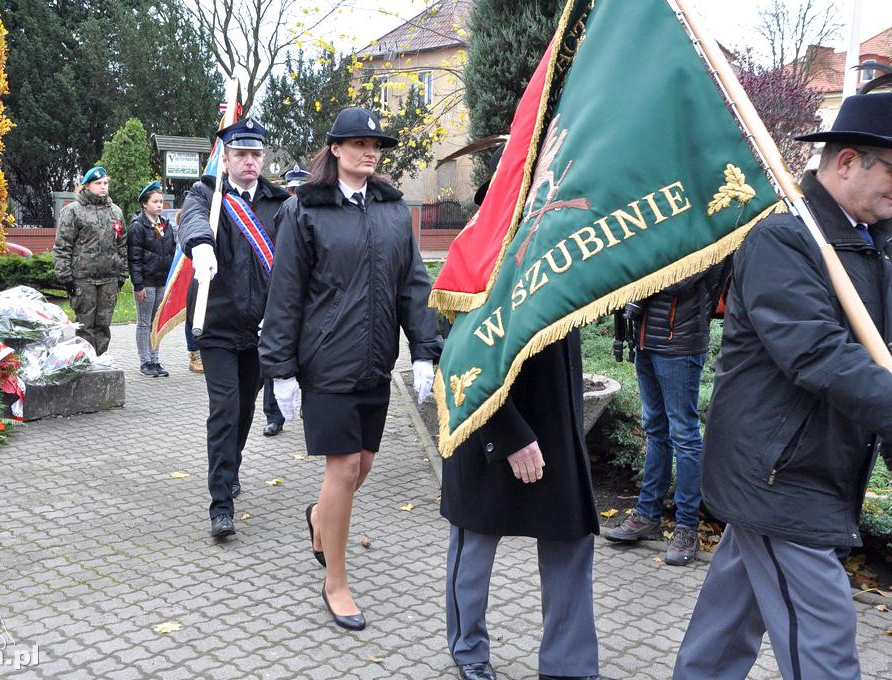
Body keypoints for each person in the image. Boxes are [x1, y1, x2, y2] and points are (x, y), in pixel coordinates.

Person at [673, 93, 892, 679]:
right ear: (847, 161)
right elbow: (815, 352)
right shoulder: (784, 239)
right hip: (778, 476)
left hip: (805, 468)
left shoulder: (873, 244)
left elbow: (879, 355)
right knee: (824, 643)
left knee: (726, 626)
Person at [260, 107, 442, 632]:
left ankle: (320, 520)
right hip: (326, 364)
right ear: (335, 149)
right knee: (341, 470)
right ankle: (335, 583)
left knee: (361, 466)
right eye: (358, 142)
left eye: (376, 143)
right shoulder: (305, 211)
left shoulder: (390, 210)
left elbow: (413, 283)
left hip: (375, 363)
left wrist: (424, 349)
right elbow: (286, 293)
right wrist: (281, 369)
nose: (370, 150)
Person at [441, 146, 611, 680]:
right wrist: (510, 435)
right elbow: (465, 359)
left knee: (570, 538)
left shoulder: (563, 241)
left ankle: (569, 664)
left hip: (555, 423)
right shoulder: (478, 251)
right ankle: (469, 652)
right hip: (491, 422)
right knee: (474, 545)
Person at [177, 117, 287, 539]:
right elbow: (192, 220)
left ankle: (232, 464)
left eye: (256, 154)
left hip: (260, 329)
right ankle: (220, 503)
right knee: (224, 410)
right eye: (240, 154)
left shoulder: (279, 204)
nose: (249, 161)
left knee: (243, 409)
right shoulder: (206, 194)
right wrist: (200, 244)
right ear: (225, 158)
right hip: (218, 326)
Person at [603, 265, 723, 565]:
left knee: (684, 435)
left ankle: (686, 528)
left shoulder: (702, 229)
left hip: (679, 343)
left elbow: (677, 279)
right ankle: (647, 516)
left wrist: (641, 268)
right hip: (646, 340)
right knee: (656, 430)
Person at [261, 162, 312, 438]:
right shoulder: (279, 212)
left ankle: (308, 409)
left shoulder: (317, 214)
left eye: (300, 190)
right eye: (292, 190)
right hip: (280, 292)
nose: (295, 195)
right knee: (277, 354)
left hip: (310, 298)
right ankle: (273, 415)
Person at [54, 166, 128, 355]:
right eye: (98, 183)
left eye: (105, 183)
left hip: (109, 279)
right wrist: (66, 278)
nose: (103, 187)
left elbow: (122, 245)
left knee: (103, 325)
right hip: (83, 278)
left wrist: (122, 274)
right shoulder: (73, 211)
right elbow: (63, 246)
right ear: (87, 186)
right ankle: (85, 364)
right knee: (85, 326)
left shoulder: (115, 212)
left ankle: (100, 362)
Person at [128, 180, 175, 377]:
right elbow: (134, 258)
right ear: (145, 204)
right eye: (155, 201)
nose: (159, 205)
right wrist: (138, 285)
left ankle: (155, 360)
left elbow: (172, 251)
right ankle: (145, 361)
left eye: (161, 201)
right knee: (145, 323)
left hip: (162, 281)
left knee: (157, 323)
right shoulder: (138, 226)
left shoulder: (166, 225)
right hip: (146, 283)